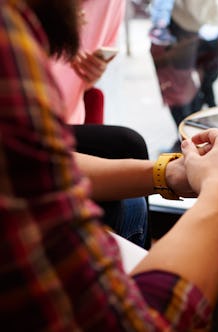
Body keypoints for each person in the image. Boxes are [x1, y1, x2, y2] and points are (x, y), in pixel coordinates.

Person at [0, 1, 218, 331]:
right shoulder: (8, 40)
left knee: (125, 152)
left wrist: (170, 173)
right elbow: (129, 324)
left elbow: (41, 168)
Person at [49, 0, 150, 248]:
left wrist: (93, 73)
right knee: (128, 145)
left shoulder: (112, 4)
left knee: (126, 192)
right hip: (35, 123)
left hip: (68, 119)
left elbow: (91, 65)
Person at [150, 0, 218, 131]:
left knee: (178, 88)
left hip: (182, 27)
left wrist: (160, 23)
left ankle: (190, 138)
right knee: (197, 86)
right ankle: (195, 135)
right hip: (207, 24)